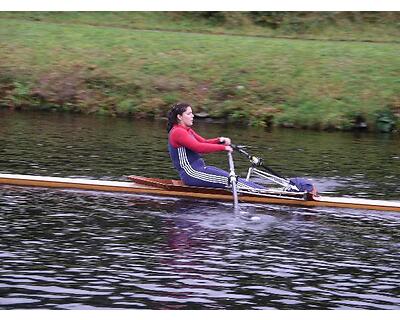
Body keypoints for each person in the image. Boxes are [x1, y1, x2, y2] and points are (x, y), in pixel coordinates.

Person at [167, 102, 263, 190]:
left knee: (235, 178)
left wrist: (220, 140)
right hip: (191, 173)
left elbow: (204, 142)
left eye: (192, 113)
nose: (192, 116)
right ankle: (265, 194)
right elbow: (199, 147)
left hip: (199, 170)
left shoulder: (187, 130)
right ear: (179, 117)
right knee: (231, 180)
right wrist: (224, 148)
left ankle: (266, 191)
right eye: (189, 114)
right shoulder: (178, 132)